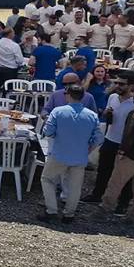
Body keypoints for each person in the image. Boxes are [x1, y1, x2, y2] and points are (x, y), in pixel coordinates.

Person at [38, 84, 104, 223]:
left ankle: (51, 210)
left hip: (59, 154)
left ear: (68, 95)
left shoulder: (58, 111)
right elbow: (98, 138)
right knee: (75, 187)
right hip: (80, 157)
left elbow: (48, 131)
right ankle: (69, 214)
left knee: (47, 179)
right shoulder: (92, 115)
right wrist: (88, 150)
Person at [82, 71, 134, 213]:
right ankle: (97, 195)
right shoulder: (113, 97)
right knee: (103, 170)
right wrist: (106, 114)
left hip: (125, 144)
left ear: (132, 86)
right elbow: (111, 119)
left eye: (122, 84)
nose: (117, 86)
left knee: (125, 177)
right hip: (110, 139)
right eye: (116, 83)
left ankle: (123, 204)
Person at [99, 86, 134, 223]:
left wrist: (122, 151)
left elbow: (129, 134)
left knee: (116, 183)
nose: (133, 97)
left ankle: (104, 210)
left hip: (132, 156)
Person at [0, 28, 24, 97]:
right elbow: (20, 60)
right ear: (10, 34)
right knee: (8, 91)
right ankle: (6, 104)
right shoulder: (14, 45)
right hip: (10, 70)